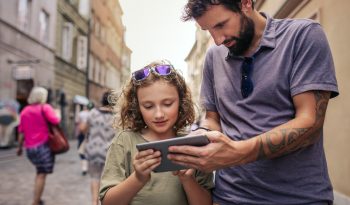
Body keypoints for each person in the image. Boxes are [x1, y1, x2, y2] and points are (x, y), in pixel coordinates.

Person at [167, 0, 339, 204]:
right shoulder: (213, 56)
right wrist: (201, 135)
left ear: (246, 3)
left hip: (299, 198)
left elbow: (310, 122)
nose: (218, 39)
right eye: (208, 30)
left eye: (221, 25)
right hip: (229, 197)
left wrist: (237, 153)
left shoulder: (303, 35)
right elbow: (213, 119)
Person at [99, 60, 214, 205]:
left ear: (181, 101)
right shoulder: (124, 141)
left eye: (167, 104)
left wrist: (187, 179)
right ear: (137, 107)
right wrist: (138, 178)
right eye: (148, 106)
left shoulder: (194, 144)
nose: (159, 114)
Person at [17, 87, 60, 205]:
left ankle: (37, 198)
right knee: (41, 175)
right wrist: (56, 112)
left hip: (30, 149)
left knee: (39, 172)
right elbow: (56, 121)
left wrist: (20, 147)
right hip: (43, 147)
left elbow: (21, 131)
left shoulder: (25, 110)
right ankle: (35, 202)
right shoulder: (45, 107)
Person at [82, 91, 115, 205]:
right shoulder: (117, 115)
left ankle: (94, 202)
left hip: (94, 149)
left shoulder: (93, 113)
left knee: (95, 177)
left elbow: (83, 129)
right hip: (111, 152)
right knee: (110, 180)